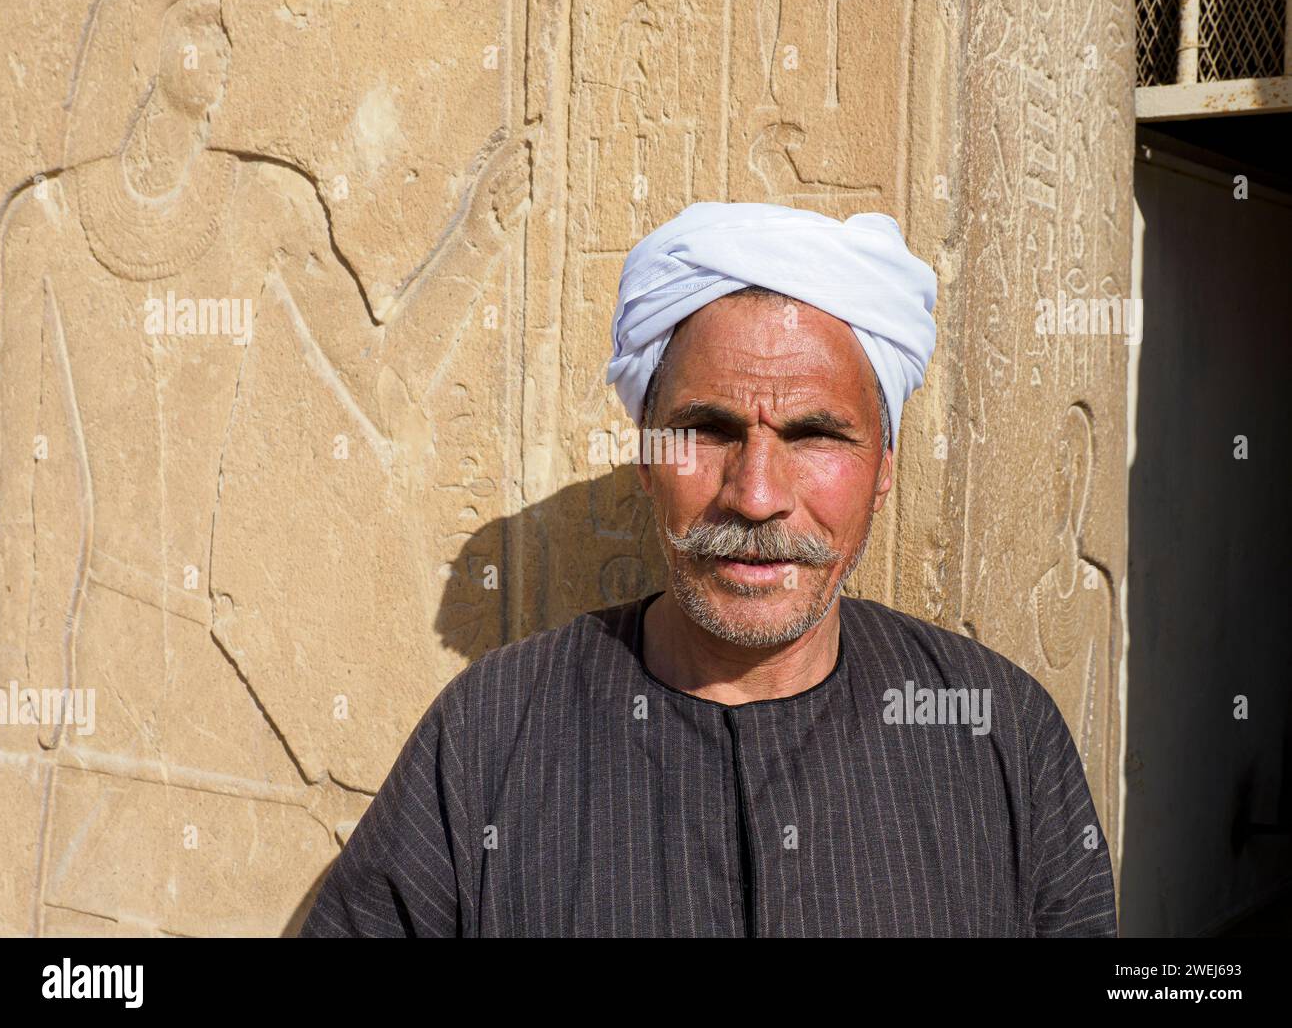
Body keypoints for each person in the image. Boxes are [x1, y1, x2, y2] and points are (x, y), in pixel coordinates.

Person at [299, 202, 1117, 937]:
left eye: (814, 435)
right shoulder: (488, 737)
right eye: (709, 429)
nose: (756, 496)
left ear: (885, 465)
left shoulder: (1001, 733)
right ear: (647, 457)